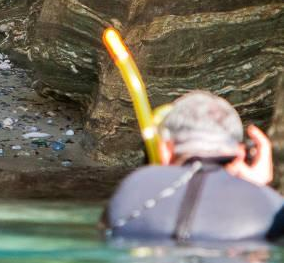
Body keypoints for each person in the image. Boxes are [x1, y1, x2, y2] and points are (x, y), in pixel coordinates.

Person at [103, 91, 284, 243]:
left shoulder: (134, 186)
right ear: (240, 154)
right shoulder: (271, 206)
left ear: (165, 149)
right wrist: (259, 189)